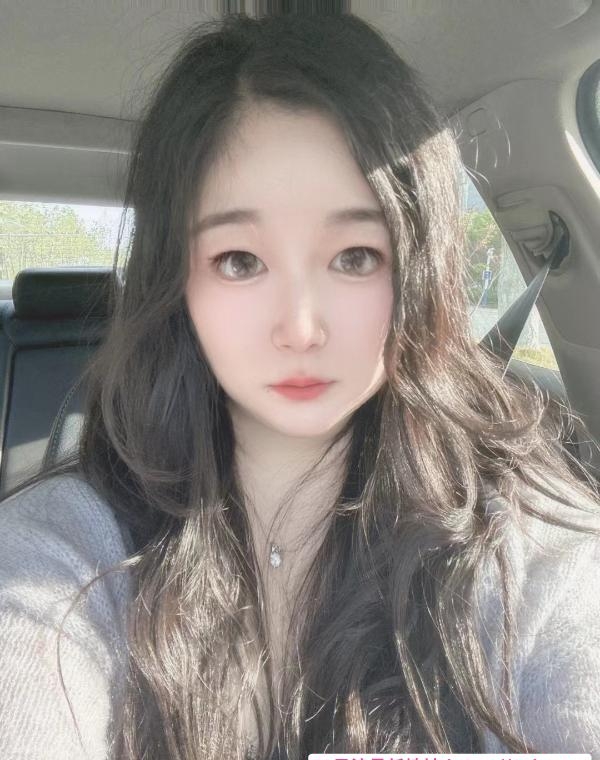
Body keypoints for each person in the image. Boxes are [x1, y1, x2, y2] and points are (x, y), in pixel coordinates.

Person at [0, 10, 599, 760]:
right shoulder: (66, 557)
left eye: (354, 256)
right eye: (240, 261)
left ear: (417, 272)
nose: (301, 327)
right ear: (177, 282)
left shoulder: (524, 555)